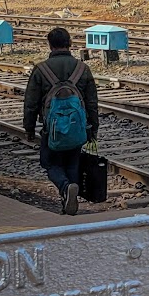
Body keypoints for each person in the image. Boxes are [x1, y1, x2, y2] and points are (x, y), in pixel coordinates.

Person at [23, 27, 98, 214]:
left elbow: (30, 103)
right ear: (69, 44)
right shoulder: (83, 68)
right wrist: (93, 129)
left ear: (50, 44)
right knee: (73, 162)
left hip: (52, 130)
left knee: (50, 164)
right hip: (77, 129)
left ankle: (65, 188)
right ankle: (70, 200)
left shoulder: (41, 70)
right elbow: (92, 103)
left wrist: (29, 129)